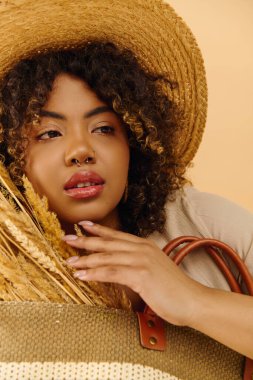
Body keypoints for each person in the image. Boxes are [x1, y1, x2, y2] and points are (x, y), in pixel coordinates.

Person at [0, 0, 252, 378]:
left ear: (134, 141)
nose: (81, 151)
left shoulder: (202, 222)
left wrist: (193, 300)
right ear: (10, 154)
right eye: (50, 133)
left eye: (103, 128)